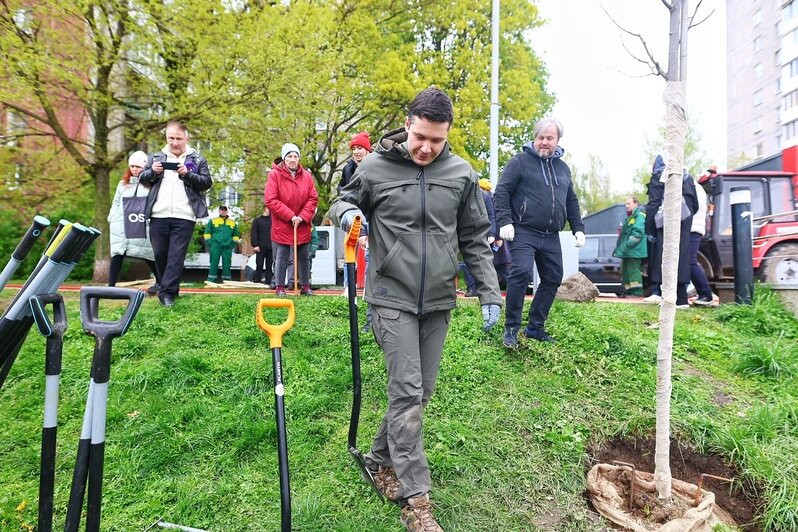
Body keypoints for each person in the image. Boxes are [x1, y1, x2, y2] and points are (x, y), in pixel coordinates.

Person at [328, 87, 502, 531]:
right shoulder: (375, 166)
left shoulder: (462, 175)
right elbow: (341, 201)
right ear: (408, 125)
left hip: (439, 299)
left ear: (448, 135)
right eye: (420, 137)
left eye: (437, 141)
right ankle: (417, 502)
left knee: (419, 393)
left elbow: (475, 239)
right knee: (406, 392)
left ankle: (379, 459)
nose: (426, 148)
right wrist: (348, 216)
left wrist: (489, 292)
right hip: (390, 296)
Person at [493, 117, 585, 347]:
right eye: (540, 137)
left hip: (551, 234)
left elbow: (571, 200)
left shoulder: (563, 169)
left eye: (549, 138)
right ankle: (511, 328)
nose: (544, 142)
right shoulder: (520, 162)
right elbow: (502, 192)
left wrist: (578, 227)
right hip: (523, 230)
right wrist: (505, 221)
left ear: (558, 140)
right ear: (535, 139)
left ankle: (535, 327)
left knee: (553, 277)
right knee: (521, 273)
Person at [140, 120, 212, 307]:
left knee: (176, 255)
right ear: (166, 138)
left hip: (184, 215)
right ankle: (171, 290)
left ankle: (166, 294)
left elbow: (206, 182)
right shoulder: (156, 157)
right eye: (171, 138)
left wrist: (187, 174)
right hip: (158, 214)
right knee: (161, 254)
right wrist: (152, 173)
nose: (174, 142)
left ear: (186, 138)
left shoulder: (197, 159)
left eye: (178, 138)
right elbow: (142, 179)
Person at [643, 155, 698, 308]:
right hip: (684, 221)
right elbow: (695, 204)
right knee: (682, 257)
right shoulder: (687, 177)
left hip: (666, 222)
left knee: (664, 257)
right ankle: (681, 299)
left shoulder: (659, 176)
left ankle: (666, 298)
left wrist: (649, 228)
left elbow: (653, 204)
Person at [264, 143, 319, 297]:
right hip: (283, 222)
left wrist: (302, 216)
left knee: (304, 255)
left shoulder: (307, 176)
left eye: (295, 156)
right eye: (289, 156)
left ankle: (305, 286)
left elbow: (313, 198)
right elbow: (271, 199)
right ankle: (280, 287)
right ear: (284, 158)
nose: (293, 159)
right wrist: (290, 216)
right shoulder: (274, 175)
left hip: (302, 223)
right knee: (281, 255)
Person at [107, 150, 161, 295]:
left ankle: (161, 282)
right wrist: (111, 217)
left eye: (138, 166)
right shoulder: (123, 184)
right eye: (132, 166)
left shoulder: (151, 185)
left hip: (141, 223)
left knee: (147, 253)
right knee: (117, 253)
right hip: (120, 224)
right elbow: (116, 202)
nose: (135, 169)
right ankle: (110, 286)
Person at [339, 131, 373, 295]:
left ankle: (368, 287)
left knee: (369, 251)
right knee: (349, 249)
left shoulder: (376, 165)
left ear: (367, 150)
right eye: (354, 148)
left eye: (360, 148)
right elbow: (342, 189)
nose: (356, 151)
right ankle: (348, 287)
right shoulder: (348, 168)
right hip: (353, 213)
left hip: (371, 214)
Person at [459, 178, 503, 297]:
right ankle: (472, 288)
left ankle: (486, 289)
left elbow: (492, 216)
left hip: (484, 233)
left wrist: (493, 234)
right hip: (467, 232)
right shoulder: (464, 193)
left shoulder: (486, 196)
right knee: (467, 262)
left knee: (484, 262)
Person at [612, 197, 647, 297]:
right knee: (626, 273)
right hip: (628, 251)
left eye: (628, 204)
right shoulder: (631, 217)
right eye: (625, 204)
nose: (626, 206)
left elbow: (638, 233)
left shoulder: (639, 216)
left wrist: (626, 246)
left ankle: (637, 292)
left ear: (636, 203)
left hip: (634, 251)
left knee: (633, 272)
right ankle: (629, 292)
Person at [689, 173, 715, 306]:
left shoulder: (695, 189)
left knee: (690, 261)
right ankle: (701, 293)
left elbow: (693, 208)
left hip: (693, 228)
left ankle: (706, 294)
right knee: (689, 261)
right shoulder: (698, 189)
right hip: (694, 228)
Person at [203, 206, 241, 283]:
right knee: (213, 262)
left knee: (227, 264)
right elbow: (207, 233)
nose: (223, 211)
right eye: (221, 210)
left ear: (227, 212)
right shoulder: (212, 221)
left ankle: (227, 281)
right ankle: (211, 280)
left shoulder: (232, 222)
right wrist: (211, 244)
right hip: (215, 245)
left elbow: (236, 235)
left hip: (227, 246)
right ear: (219, 211)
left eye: (225, 210)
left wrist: (232, 244)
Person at [251, 205, 273, 285]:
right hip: (260, 247)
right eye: (269, 208)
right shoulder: (257, 220)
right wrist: (255, 245)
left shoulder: (273, 221)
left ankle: (269, 282)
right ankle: (257, 281)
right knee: (259, 264)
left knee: (269, 266)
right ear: (265, 209)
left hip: (271, 247)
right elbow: (254, 233)